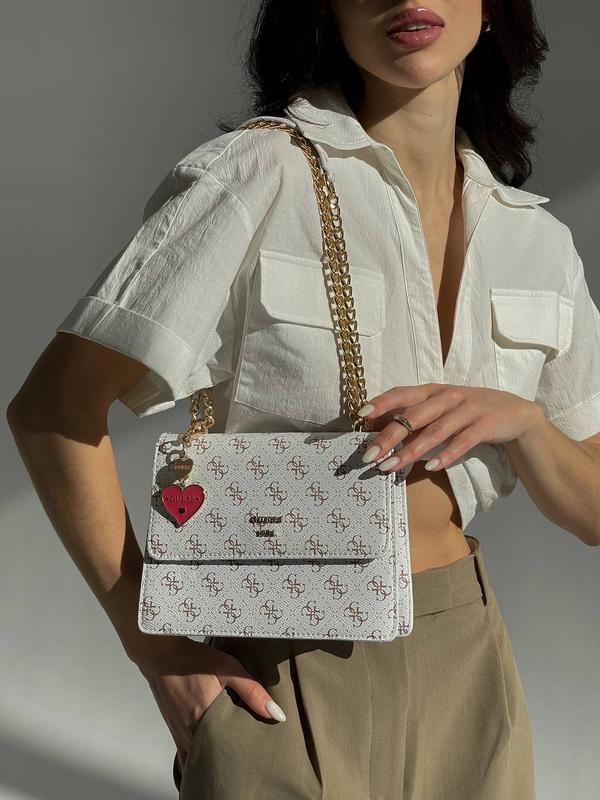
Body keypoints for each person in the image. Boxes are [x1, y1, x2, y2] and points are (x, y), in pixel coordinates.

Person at [7, 2, 600, 798]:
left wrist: (525, 425)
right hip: (283, 663)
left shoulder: (535, 242)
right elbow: (52, 409)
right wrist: (155, 646)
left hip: (469, 665)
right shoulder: (257, 174)